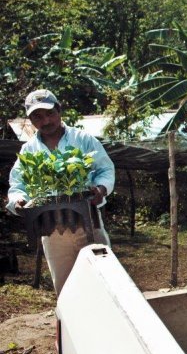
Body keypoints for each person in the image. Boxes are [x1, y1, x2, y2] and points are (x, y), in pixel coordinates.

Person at [6, 89, 115, 295]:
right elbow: (18, 185)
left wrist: (101, 189)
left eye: (50, 113)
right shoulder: (29, 150)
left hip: (88, 222)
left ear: (59, 111)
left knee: (105, 285)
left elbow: (105, 170)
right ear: (30, 120)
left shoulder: (83, 139)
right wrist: (18, 200)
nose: (46, 121)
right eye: (37, 117)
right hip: (51, 229)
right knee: (66, 290)